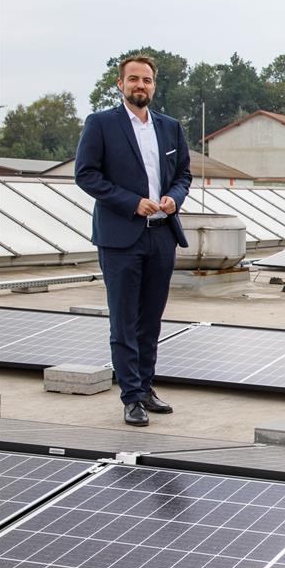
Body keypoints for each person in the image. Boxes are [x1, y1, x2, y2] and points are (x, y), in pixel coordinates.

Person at [75, 54, 191, 427]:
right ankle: (131, 396)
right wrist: (131, 203)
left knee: (151, 320)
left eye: (147, 80)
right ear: (120, 84)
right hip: (121, 237)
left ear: (155, 85)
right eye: (134, 80)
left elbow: (184, 174)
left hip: (162, 236)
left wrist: (175, 196)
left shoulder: (170, 127)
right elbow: (86, 174)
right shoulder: (101, 124)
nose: (141, 85)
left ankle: (145, 386)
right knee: (124, 320)